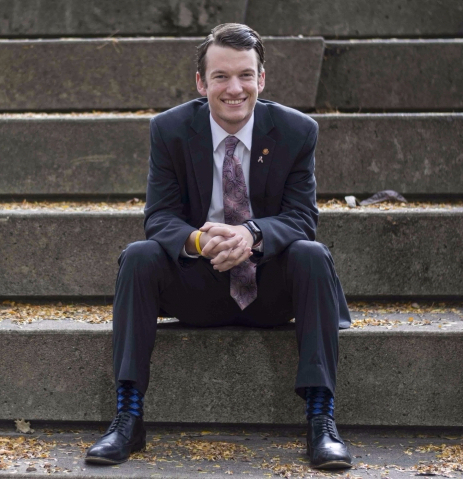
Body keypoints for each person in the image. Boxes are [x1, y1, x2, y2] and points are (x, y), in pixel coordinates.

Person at [85, 23, 352, 469]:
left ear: (261, 78)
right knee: (138, 255)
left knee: (312, 254)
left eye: (245, 75)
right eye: (221, 76)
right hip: (199, 285)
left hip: (268, 288)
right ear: (200, 82)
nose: (234, 89)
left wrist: (251, 234)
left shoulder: (296, 131)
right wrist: (199, 240)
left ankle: (321, 420)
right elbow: (159, 217)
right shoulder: (170, 130)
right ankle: (128, 417)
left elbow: (301, 218)